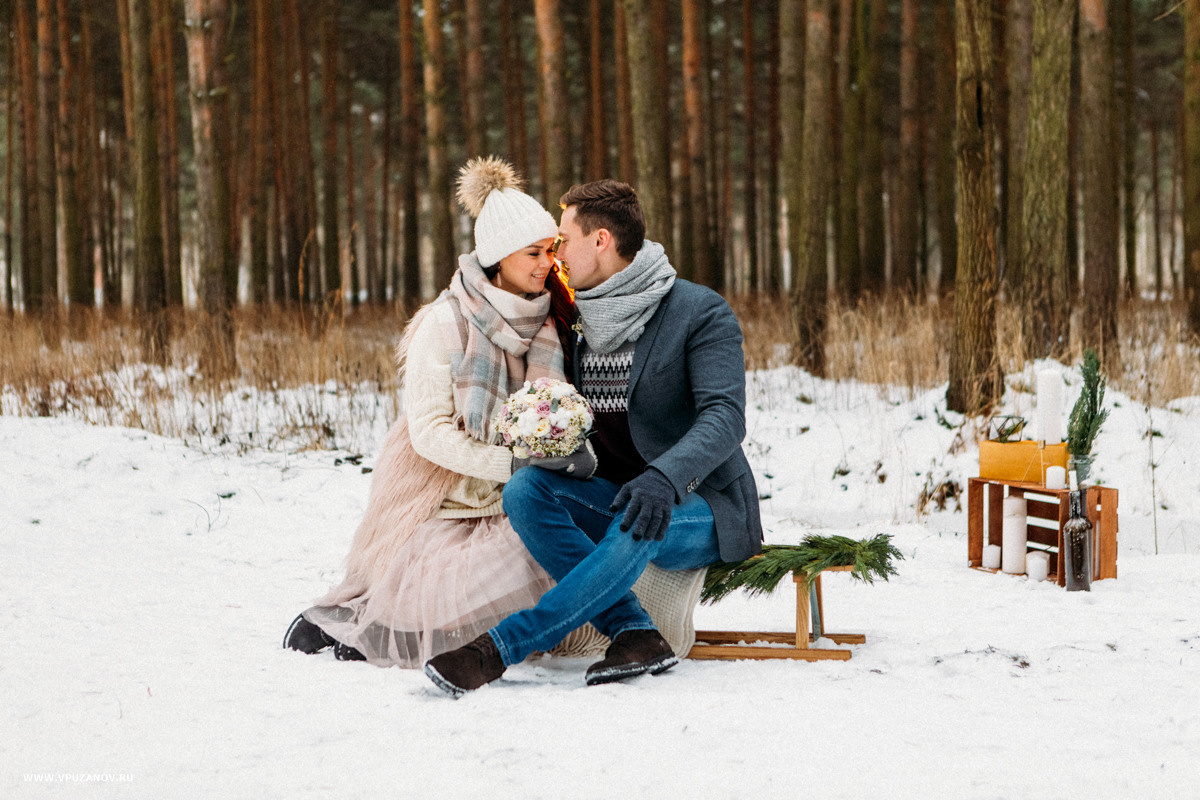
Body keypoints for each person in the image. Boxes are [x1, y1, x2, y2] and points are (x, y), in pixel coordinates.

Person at [424, 179, 762, 696]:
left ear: (600, 240)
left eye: (563, 240)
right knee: (526, 490)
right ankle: (636, 632)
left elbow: (725, 416)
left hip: (704, 504)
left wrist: (665, 479)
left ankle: (498, 648)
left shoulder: (699, 311)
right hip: (619, 492)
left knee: (638, 516)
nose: (556, 254)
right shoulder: (581, 320)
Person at [283, 156, 593, 666]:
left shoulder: (548, 322)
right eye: (533, 253)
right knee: (449, 580)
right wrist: (513, 463)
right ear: (498, 257)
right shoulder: (445, 321)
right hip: (443, 486)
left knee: (542, 549)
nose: (547, 263)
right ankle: (379, 620)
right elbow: (429, 432)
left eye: (550, 250)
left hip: (512, 489)